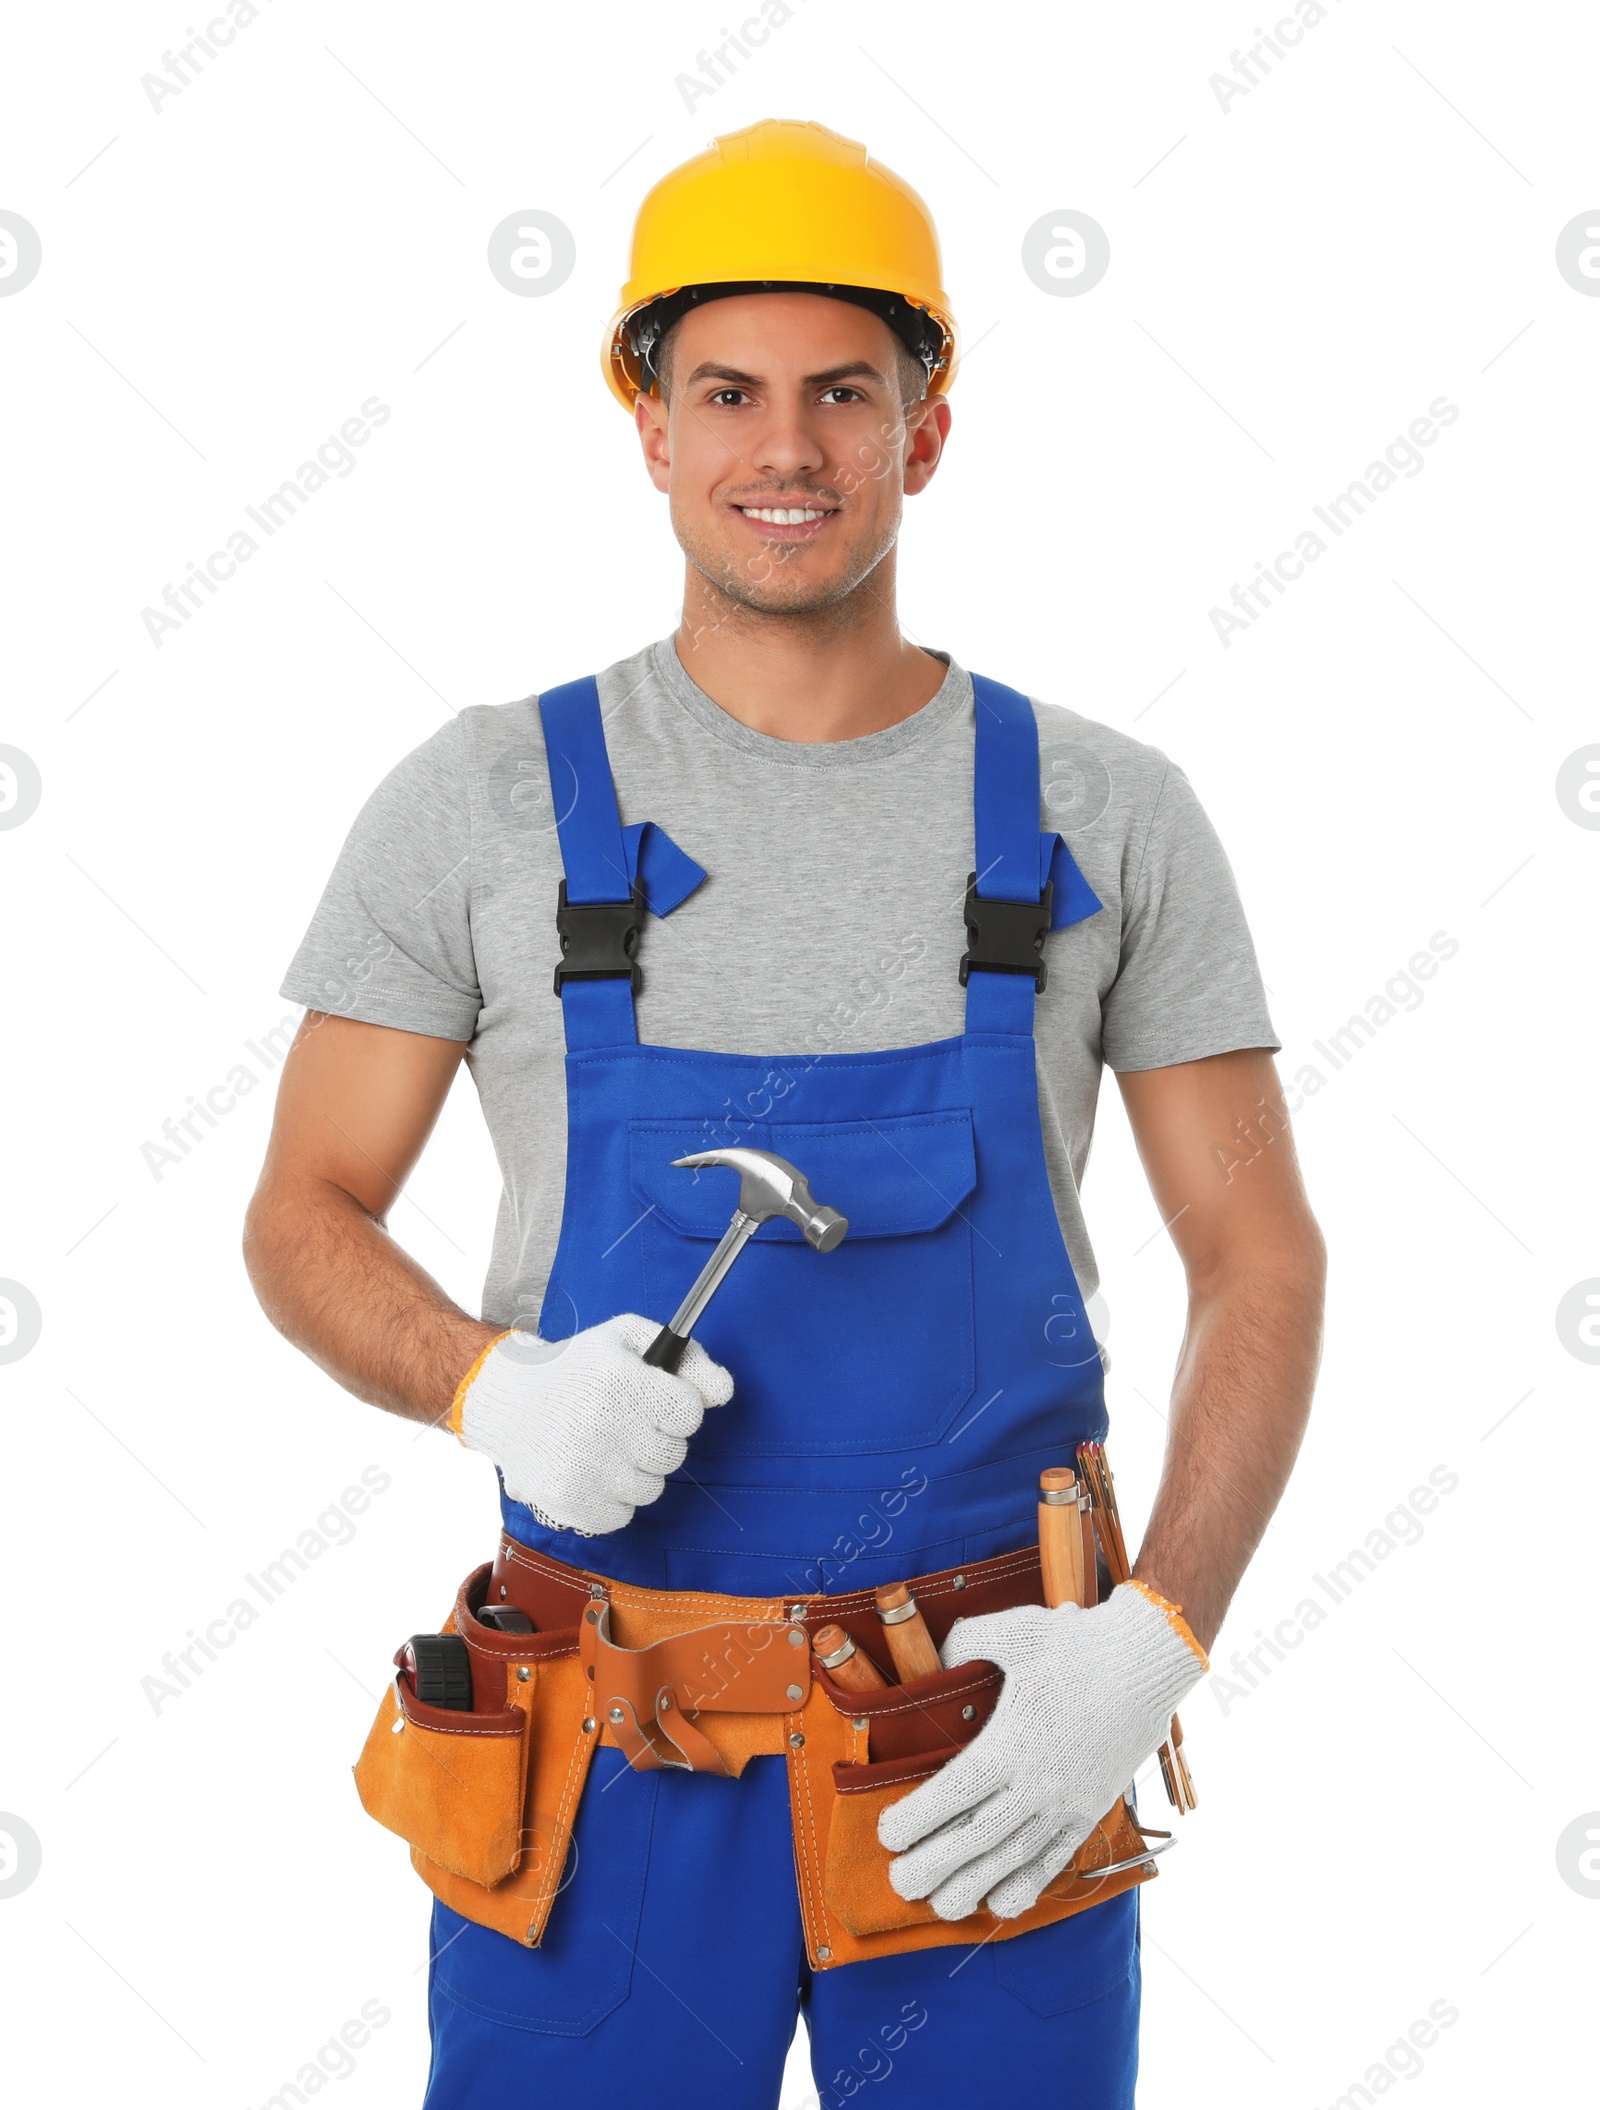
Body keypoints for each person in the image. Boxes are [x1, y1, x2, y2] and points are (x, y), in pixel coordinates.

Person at [244, 118, 1325, 2110]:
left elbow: (1258, 1252)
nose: (786, 450)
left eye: (845, 391)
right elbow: (301, 1210)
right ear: (644, 425)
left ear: (924, 430)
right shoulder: (482, 802)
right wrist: (489, 1384)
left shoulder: (1103, 811)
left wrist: (1154, 1635)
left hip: (995, 1736)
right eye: (725, 390)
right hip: (603, 1757)